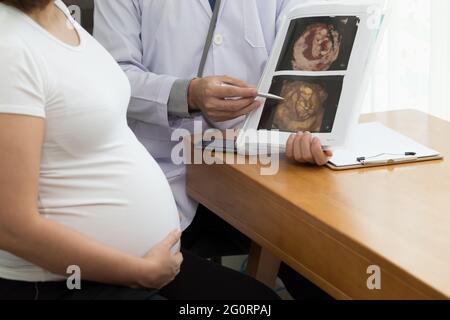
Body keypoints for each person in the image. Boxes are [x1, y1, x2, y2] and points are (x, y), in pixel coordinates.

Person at [0, 0, 280, 300]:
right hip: (77, 280)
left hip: (146, 260)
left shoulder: (52, 12)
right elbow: (11, 226)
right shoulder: (10, 49)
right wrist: (139, 272)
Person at [93, 0, 333, 300]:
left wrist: (304, 134)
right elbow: (112, 76)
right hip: (163, 170)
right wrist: (187, 94)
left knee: (331, 275)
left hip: (257, 168)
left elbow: (308, 58)